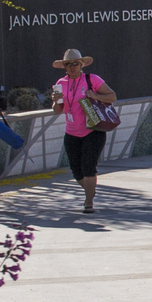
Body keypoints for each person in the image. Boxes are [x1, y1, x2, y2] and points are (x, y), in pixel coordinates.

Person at [52, 48, 119, 218]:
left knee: (89, 166)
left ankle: (88, 202)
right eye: (68, 65)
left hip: (93, 130)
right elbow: (57, 110)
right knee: (76, 171)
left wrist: (95, 95)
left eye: (75, 63)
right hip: (72, 132)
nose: (72, 67)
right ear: (64, 67)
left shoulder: (92, 79)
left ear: (81, 64)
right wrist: (54, 101)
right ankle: (91, 190)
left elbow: (112, 97)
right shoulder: (60, 83)